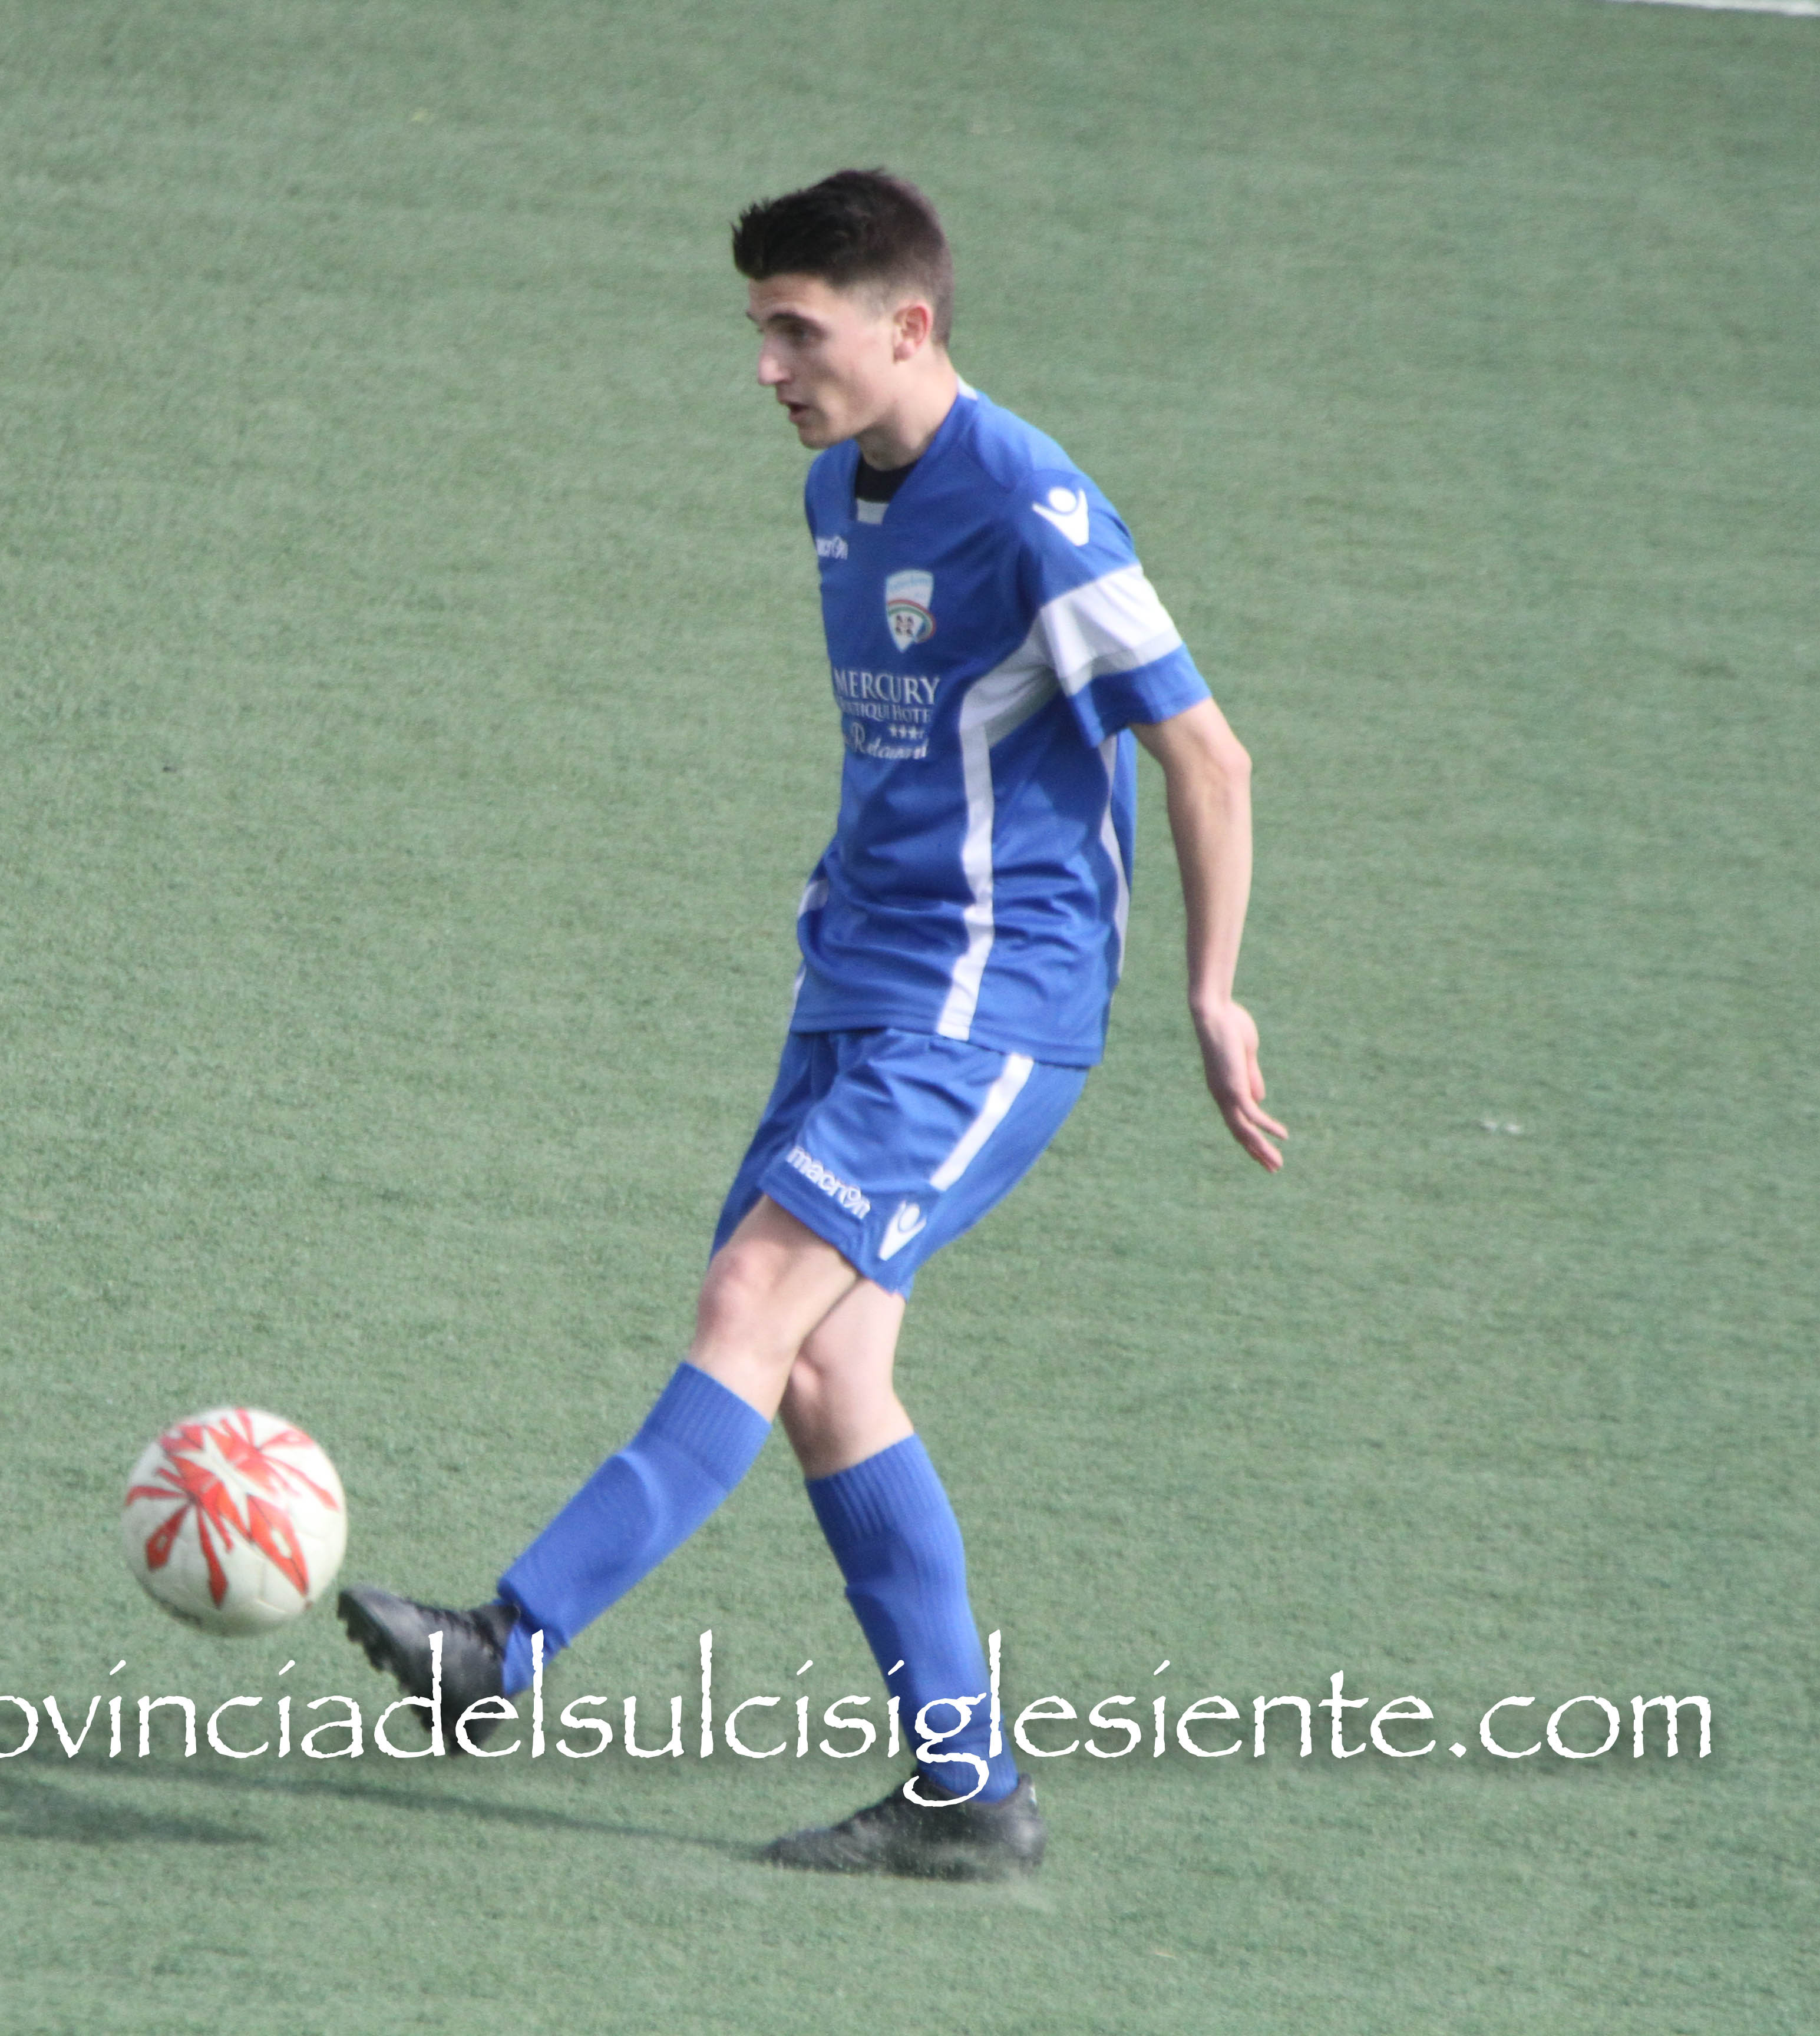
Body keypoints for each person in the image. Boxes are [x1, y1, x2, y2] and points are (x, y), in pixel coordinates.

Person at [338, 167, 1284, 1880]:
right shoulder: (840, 494)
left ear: (907, 326)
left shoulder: (1035, 503)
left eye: (797, 330)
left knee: (752, 1304)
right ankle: (970, 1794)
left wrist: (1209, 995)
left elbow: (1205, 756)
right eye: (759, 330)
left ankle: (507, 1644)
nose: (767, 367)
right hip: (859, 980)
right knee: (832, 1379)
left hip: (990, 1007)